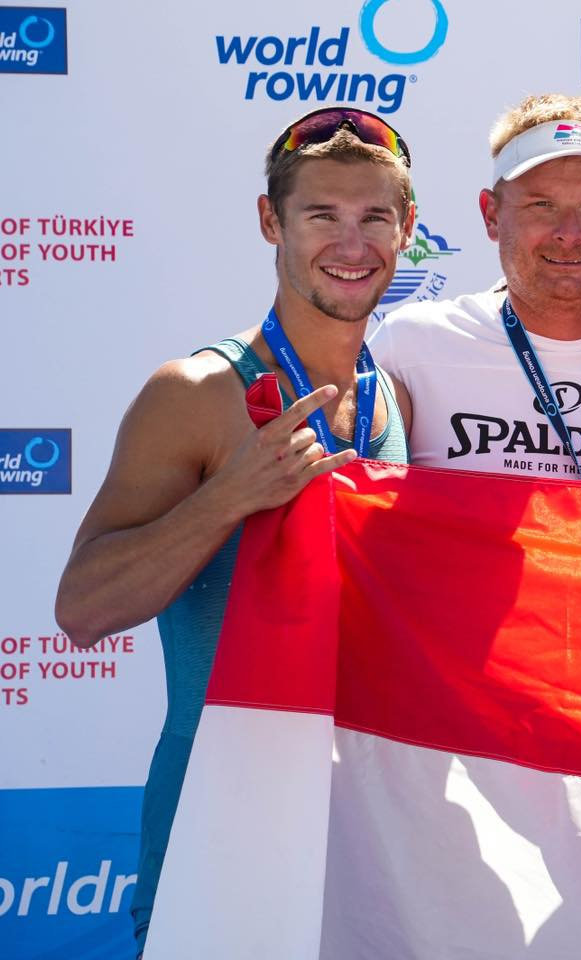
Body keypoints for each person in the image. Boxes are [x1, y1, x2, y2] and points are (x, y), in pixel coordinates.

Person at [53, 107, 417, 956]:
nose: (352, 244)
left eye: (374, 217)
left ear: (407, 230)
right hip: (218, 820)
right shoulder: (195, 392)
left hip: (363, 827)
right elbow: (83, 609)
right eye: (321, 215)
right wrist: (231, 496)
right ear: (270, 221)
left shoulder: (395, 396)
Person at [367, 94, 581, 485]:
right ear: (492, 215)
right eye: (542, 205)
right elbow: (350, 498)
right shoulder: (413, 344)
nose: (569, 234)